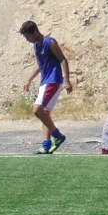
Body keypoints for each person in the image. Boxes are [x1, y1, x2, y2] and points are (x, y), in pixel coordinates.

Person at [19, 21, 73, 154]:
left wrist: (67, 80)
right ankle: (46, 145)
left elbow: (63, 60)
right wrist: (29, 79)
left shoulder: (50, 42)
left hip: (53, 81)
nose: (27, 40)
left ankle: (57, 135)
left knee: (37, 109)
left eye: (27, 36)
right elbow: (40, 64)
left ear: (34, 32)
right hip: (45, 82)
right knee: (45, 114)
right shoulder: (36, 45)